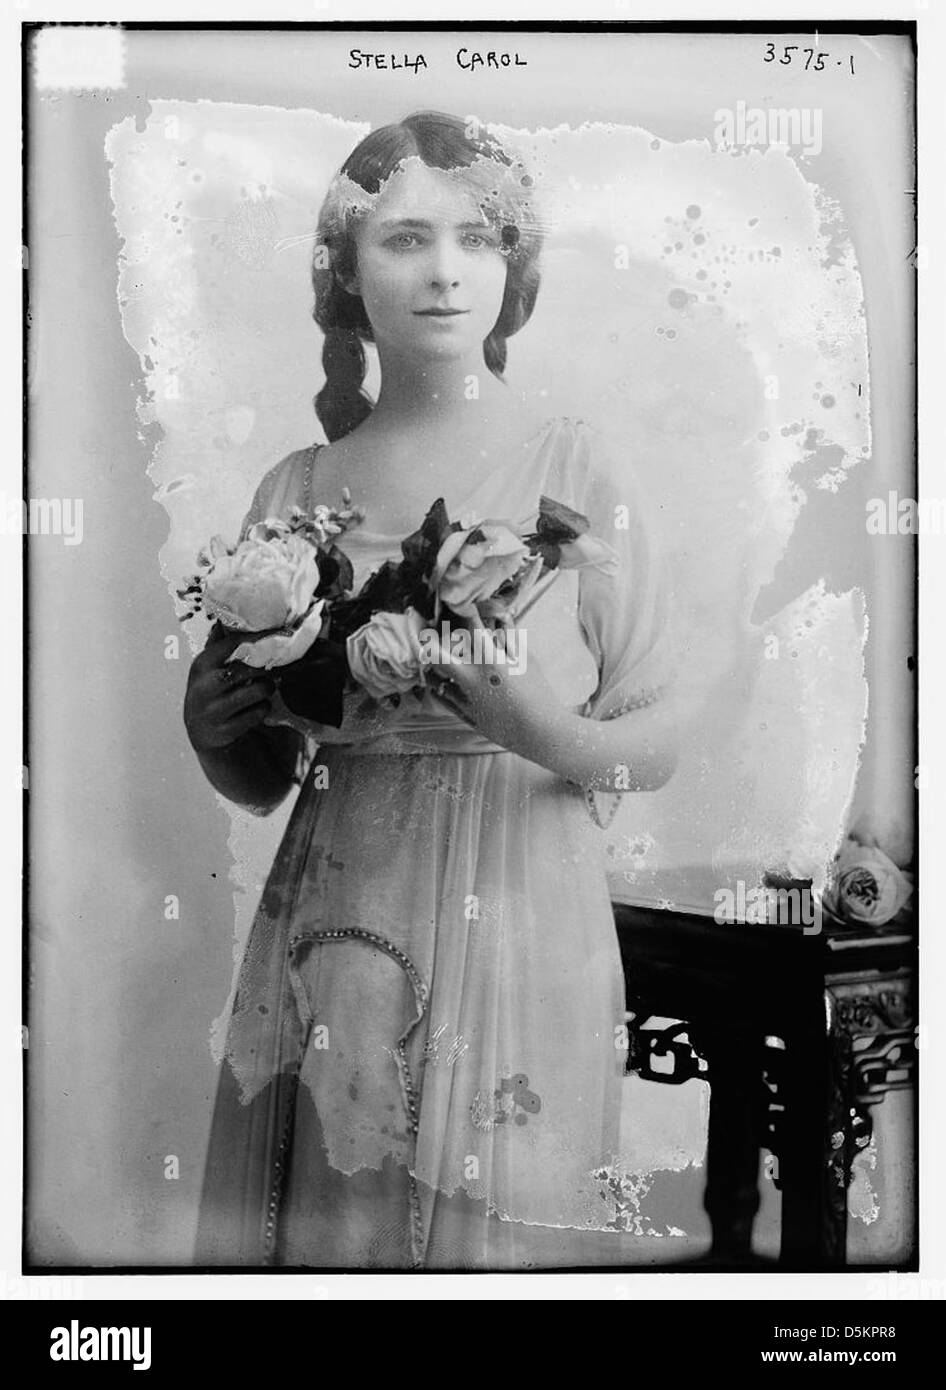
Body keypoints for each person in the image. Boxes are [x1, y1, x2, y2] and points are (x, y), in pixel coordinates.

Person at [186, 110, 679, 1270]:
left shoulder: (574, 464)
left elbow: (650, 742)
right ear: (346, 272)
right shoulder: (297, 486)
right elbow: (265, 774)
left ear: (515, 268)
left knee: (495, 1217)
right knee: (337, 1219)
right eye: (403, 238)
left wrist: (530, 724)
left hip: (522, 900)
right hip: (341, 909)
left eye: (477, 237)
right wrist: (215, 734)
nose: (445, 270)